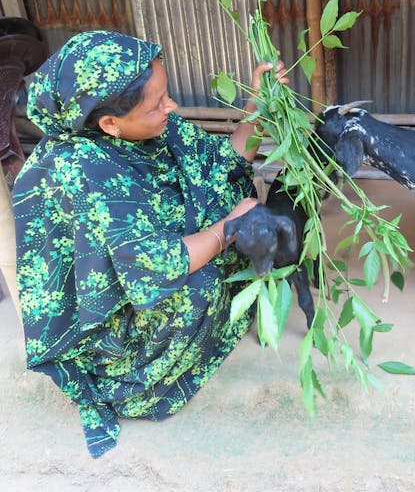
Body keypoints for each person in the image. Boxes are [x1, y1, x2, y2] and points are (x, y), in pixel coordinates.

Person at [11, 30, 284, 458]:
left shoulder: (148, 128)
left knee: (226, 199)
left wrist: (258, 105)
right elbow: (157, 268)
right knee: (201, 283)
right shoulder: (85, 173)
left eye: (166, 94)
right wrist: (227, 227)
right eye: (157, 104)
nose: (170, 107)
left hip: (149, 259)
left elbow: (218, 164)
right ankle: (142, 382)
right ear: (110, 124)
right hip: (120, 317)